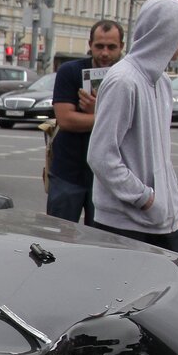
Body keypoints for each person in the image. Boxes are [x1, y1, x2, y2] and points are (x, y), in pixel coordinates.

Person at [87, 0, 178, 254]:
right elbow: (101, 155)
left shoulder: (162, 81)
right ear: (166, 31)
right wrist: (146, 199)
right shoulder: (123, 81)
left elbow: (159, 153)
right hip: (126, 223)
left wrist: (168, 201)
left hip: (162, 220)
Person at [45, 19, 125, 224]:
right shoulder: (70, 71)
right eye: (99, 46)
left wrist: (93, 112)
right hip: (68, 171)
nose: (105, 53)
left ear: (122, 47)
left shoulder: (127, 76)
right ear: (90, 45)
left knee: (101, 242)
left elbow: (132, 123)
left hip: (107, 176)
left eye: (111, 47)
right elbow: (66, 119)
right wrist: (105, 117)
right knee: (58, 236)